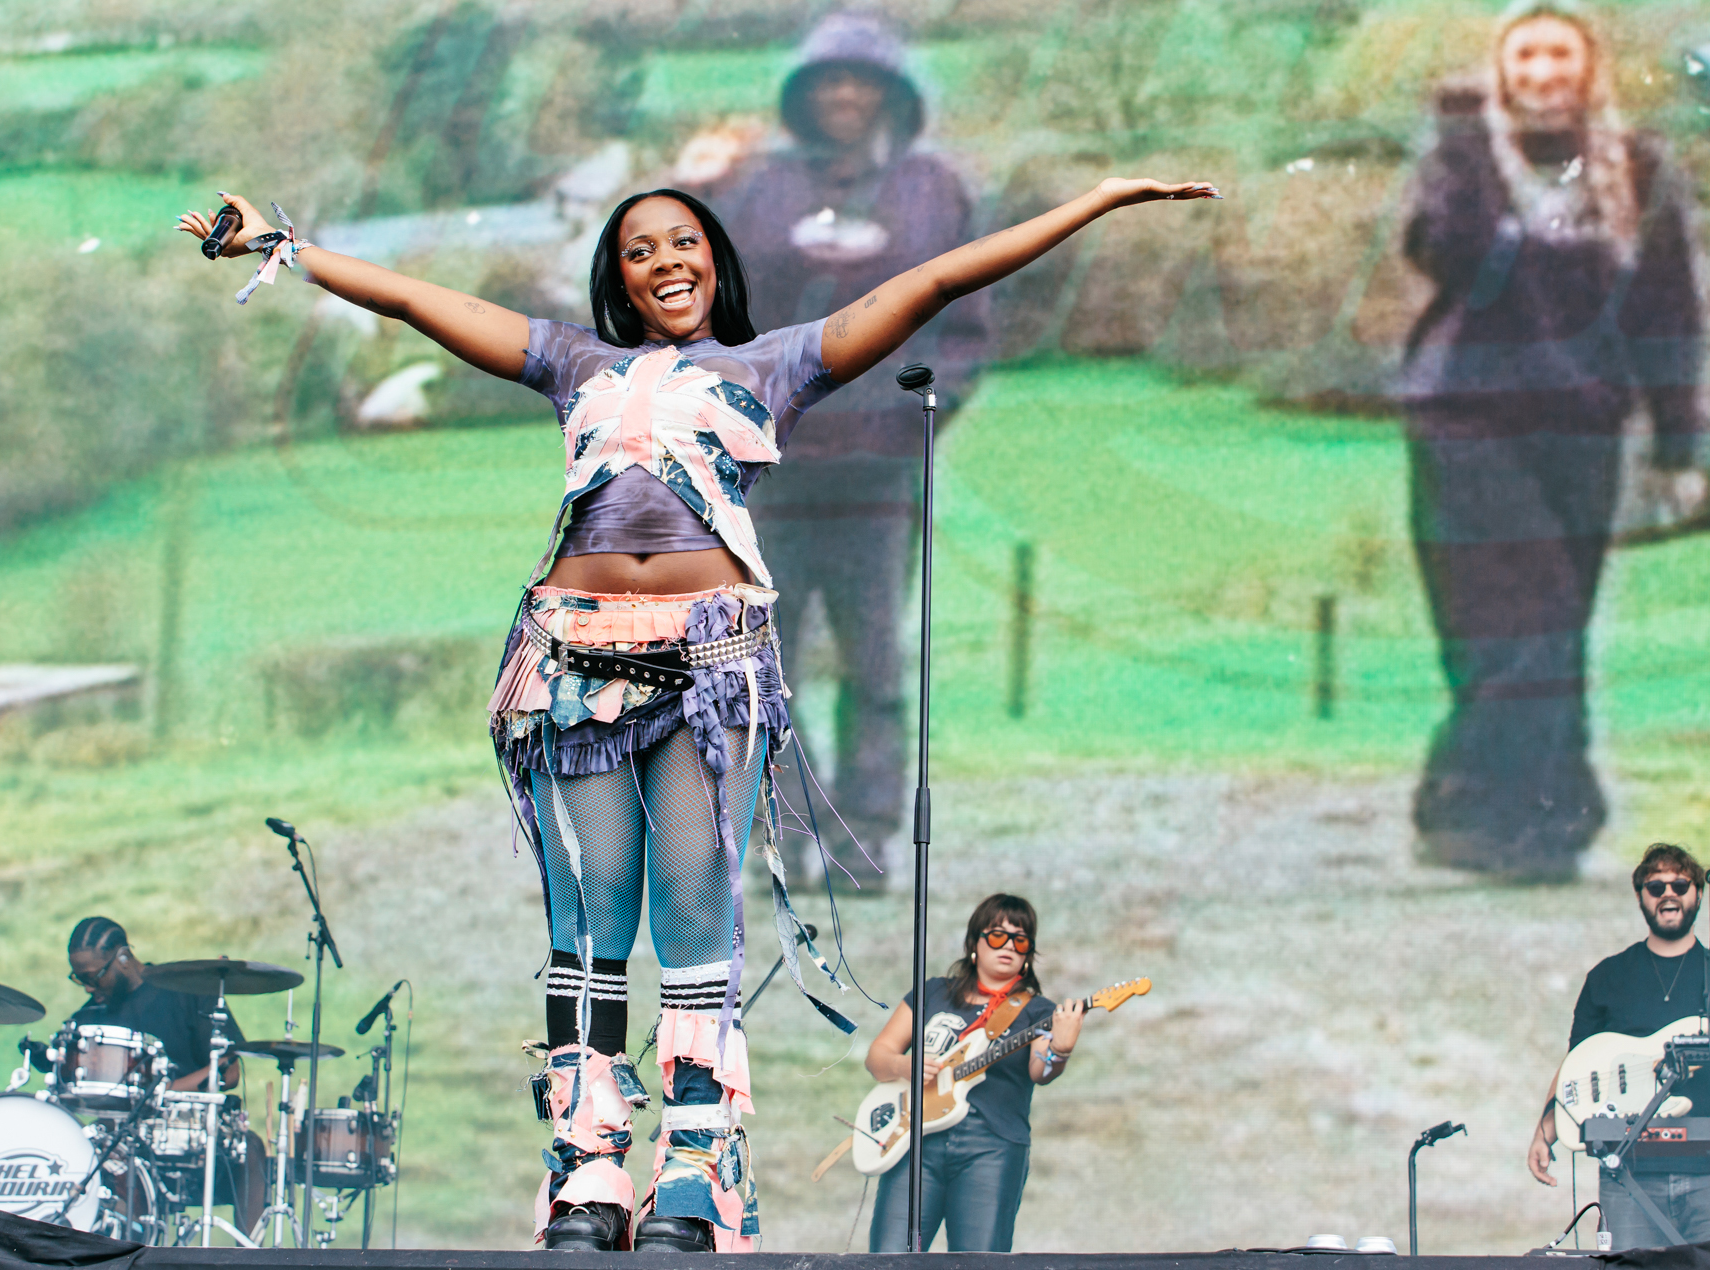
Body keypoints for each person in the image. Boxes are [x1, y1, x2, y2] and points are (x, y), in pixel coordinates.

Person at [182, 166, 1214, 1251]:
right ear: (617, 280)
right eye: (639, 250)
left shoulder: (772, 364)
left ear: (713, 260)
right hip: (571, 659)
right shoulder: (569, 361)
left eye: (682, 243)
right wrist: (277, 244)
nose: (665, 261)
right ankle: (585, 1172)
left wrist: (1094, 201)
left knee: (689, 913)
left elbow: (940, 278)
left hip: (706, 659)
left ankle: (689, 1172)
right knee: (586, 924)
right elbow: (412, 300)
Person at [1400, 0, 1704, 882]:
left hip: (1583, 422)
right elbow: (1441, 253)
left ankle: (1532, 819)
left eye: (1558, 55)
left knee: (1558, 626)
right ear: (1504, 70)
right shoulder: (1463, 159)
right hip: (1468, 417)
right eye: (1525, 55)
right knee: (1515, 622)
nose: (1542, 73)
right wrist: (1459, 135)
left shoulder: (1641, 172)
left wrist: (1684, 446)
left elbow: (1670, 311)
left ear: (1588, 68)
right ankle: (1489, 813)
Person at [715, 14, 988, 892]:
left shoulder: (935, 191)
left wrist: (912, 418)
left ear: (891, 93)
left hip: (879, 474)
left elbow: (967, 328)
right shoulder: (754, 193)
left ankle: (863, 836)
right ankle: (783, 839)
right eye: (827, 81)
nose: (843, 95)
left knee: (874, 659)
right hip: (769, 475)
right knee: (766, 670)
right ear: (802, 94)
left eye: (860, 81)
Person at [862, 894, 1077, 1252]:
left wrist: (1061, 1049)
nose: (1008, 945)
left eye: (1020, 940)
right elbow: (877, 1056)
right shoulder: (933, 992)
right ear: (974, 942)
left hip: (991, 1148)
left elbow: (1042, 1071)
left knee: (979, 1261)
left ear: (1028, 954)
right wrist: (906, 1066)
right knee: (890, 1258)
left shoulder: (1038, 1010)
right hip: (916, 1143)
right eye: (997, 935)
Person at [1528, 845, 1710, 1246]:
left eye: (1680, 883)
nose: (1669, 893)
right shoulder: (1608, 977)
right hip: (1628, 1171)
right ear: (1641, 896)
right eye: (1656, 885)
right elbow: (1577, 1061)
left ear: (1698, 892)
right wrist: (1546, 1131)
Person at [64, 917, 267, 1233]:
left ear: (123, 958)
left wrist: (164, 1091)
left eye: (93, 977)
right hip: (126, 1136)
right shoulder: (90, 1018)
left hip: (194, 1128)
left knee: (250, 1150)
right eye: (78, 979)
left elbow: (229, 1074)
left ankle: (251, 1262)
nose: (89, 988)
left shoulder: (187, 991)